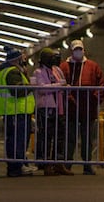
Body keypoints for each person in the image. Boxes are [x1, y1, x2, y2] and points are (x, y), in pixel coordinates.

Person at [60, 39, 104, 175]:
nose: (78, 52)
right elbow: (61, 85)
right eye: (76, 49)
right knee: (70, 137)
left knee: (87, 138)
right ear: (71, 51)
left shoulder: (93, 66)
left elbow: (101, 84)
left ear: (83, 50)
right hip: (71, 109)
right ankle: (67, 164)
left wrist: (95, 99)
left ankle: (87, 164)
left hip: (88, 109)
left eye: (80, 49)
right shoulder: (64, 67)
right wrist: (68, 99)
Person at [0, 46, 36, 177]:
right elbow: (17, 91)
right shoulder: (12, 72)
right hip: (17, 111)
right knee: (18, 140)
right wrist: (32, 87)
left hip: (14, 111)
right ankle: (16, 167)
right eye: (22, 59)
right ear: (17, 60)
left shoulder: (6, 72)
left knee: (15, 140)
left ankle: (19, 165)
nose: (24, 61)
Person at [32, 48, 73, 176]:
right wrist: (59, 86)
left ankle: (58, 163)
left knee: (60, 136)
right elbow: (41, 88)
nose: (53, 59)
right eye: (50, 57)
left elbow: (63, 83)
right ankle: (46, 164)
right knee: (46, 137)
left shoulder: (57, 70)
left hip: (59, 107)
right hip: (46, 108)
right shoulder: (38, 72)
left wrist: (66, 87)